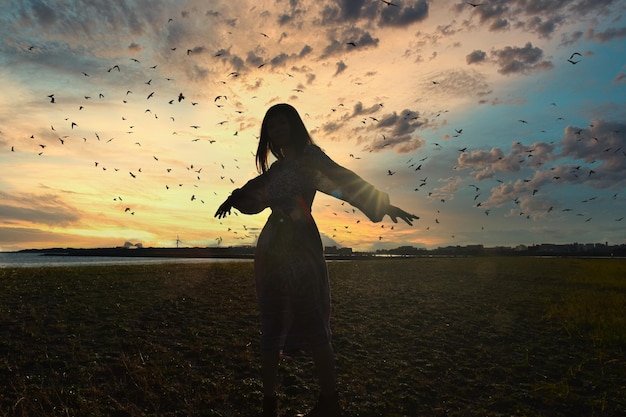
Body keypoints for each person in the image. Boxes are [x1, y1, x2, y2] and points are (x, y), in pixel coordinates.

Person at [214, 103, 418, 417]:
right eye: (272, 126)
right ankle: (269, 404)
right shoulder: (277, 169)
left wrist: (381, 203)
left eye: (283, 124)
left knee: (312, 322)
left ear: (294, 126)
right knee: (271, 323)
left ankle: (329, 403)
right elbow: (256, 192)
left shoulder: (311, 159)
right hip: (271, 251)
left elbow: (343, 180)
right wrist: (235, 197)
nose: (277, 130)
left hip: (301, 249)